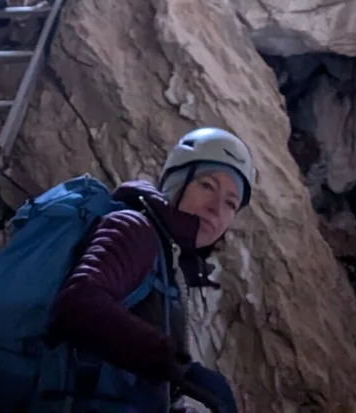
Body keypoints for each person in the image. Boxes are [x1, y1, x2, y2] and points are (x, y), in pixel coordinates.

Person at [46, 128, 253, 413]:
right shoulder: (134, 229)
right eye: (207, 186)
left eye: (231, 203)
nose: (217, 208)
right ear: (177, 183)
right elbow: (79, 303)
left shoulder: (169, 255)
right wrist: (168, 361)